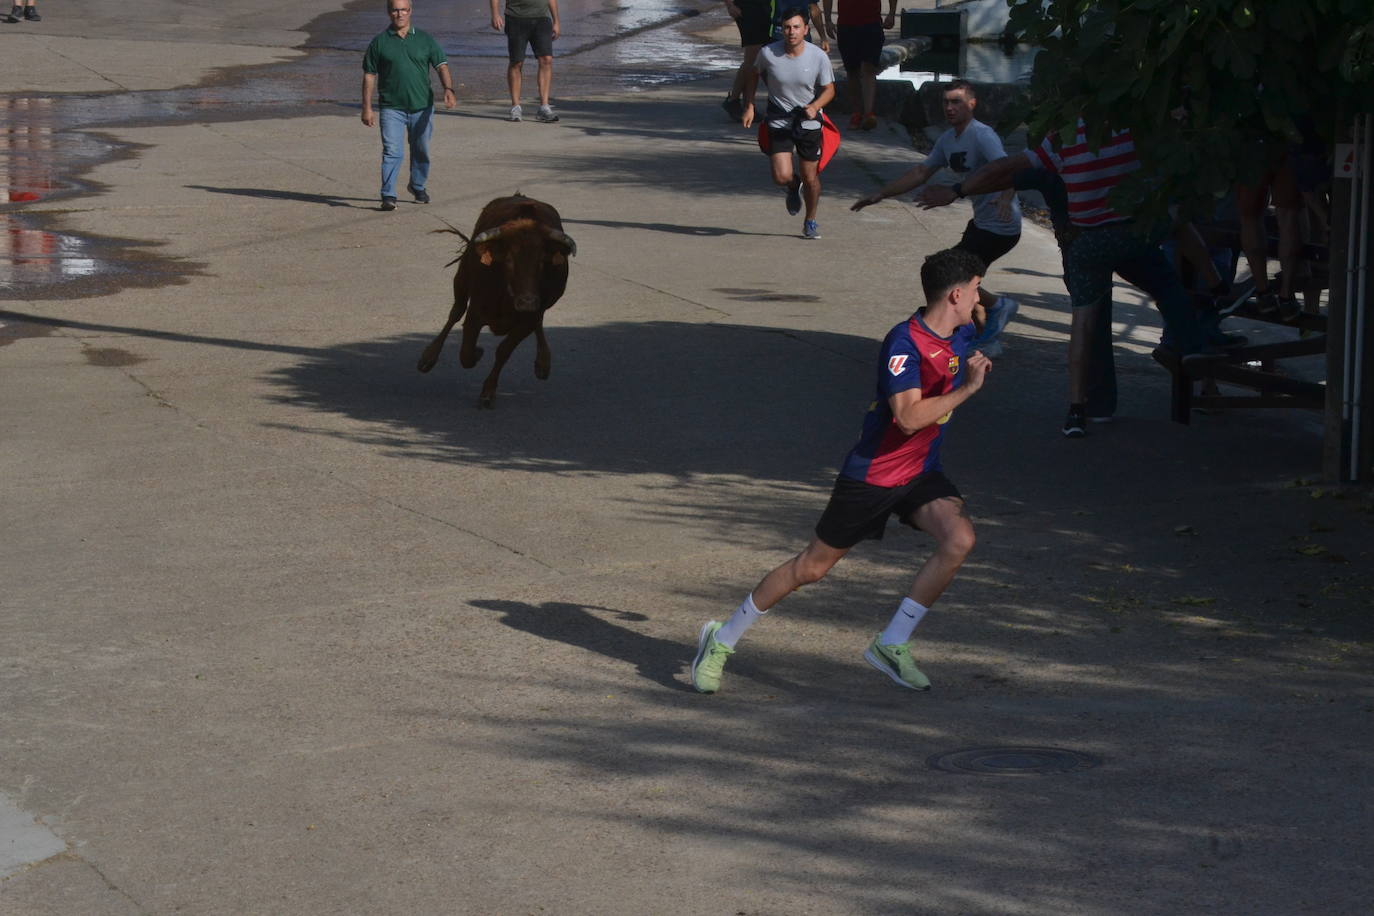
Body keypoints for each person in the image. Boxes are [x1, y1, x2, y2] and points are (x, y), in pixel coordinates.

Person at [691, 248, 993, 694]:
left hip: (920, 471)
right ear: (953, 295)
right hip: (873, 475)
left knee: (959, 538)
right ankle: (722, 638)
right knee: (811, 568)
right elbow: (908, 418)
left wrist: (979, 299)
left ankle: (891, 644)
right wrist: (968, 389)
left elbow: (984, 311)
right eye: (973, 290)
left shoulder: (962, 330)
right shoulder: (904, 343)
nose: (978, 298)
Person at [918, 120, 1234, 437]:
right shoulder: (1134, 126)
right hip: (1130, 234)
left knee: (1083, 324)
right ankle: (1200, 330)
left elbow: (1005, 169)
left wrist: (957, 190)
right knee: (1169, 276)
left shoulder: (1064, 140)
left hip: (1084, 244)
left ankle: (1078, 410)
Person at [853, 80, 1021, 356]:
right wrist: (881, 194)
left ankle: (999, 307)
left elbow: (1008, 169)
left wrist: (1005, 198)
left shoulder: (982, 135)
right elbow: (920, 173)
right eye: (946, 102)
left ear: (972, 104)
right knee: (965, 279)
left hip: (1001, 227)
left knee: (949, 272)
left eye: (956, 101)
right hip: (981, 223)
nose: (950, 108)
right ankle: (986, 341)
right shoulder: (948, 140)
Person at [743, 7, 836, 240]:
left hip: (808, 120)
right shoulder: (768, 53)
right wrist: (750, 105)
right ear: (781, 30)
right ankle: (792, 187)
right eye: (786, 27)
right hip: (779, 117)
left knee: (811, 178)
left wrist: (815, 106)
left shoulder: (818, 56)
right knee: (781, 177)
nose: (791, 32)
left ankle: (811, 220)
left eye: (796, 27)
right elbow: (753, 74)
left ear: (805, 29)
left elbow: (829, 90)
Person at [361, 0, 456, 211]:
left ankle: (417, 185)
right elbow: (369, 76)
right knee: (392, 151)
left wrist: (448, 89)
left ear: (410, 11)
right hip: (391, 108)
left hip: (422, 106)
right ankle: (388, 195)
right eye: (395, 9)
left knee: (421, 149)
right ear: (389, 12)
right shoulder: (379, 42)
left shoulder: (424, 39)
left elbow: (441, 65)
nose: (399, 14)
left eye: (403, 9)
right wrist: (366, 107)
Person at [822, 0, 895, 130]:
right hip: (846, 24)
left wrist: (891, 13)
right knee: (852, 70)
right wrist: (827, 20)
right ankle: (857, 112)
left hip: (872, 23)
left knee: (869, 68)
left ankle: (868, 113)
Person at [491, 0, 561, 123]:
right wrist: (495, 14)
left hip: (542, 18)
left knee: (546, 59)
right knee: (516, 62)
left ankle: (544, 107)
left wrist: (556, 21)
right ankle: (515, 107)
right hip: (515, 17)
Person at [721, 0, 774, 122]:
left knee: (756, 57)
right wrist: (730, 5)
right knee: (753, 58)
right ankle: (744, 104)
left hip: (764, 7)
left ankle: (737, 102)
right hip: (747, 8)